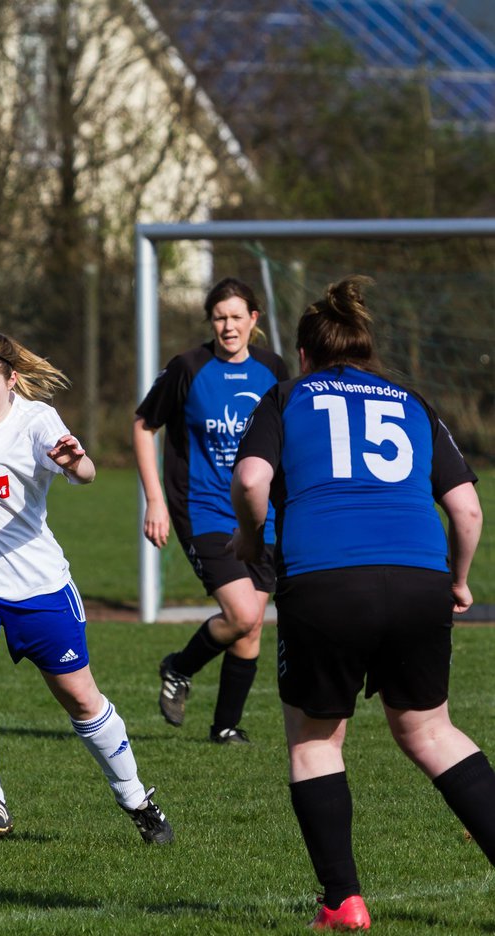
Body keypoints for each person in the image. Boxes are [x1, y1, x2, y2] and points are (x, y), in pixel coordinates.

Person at [230, 275, 495, 930]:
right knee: (431, 731)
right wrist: (458, 581)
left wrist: (247, 537)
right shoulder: (411, 400)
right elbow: (465, 508)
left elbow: (250, 478)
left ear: (304, 356)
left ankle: (343, 901)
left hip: (326, 581)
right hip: (419, 579)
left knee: (316, 742)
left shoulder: (287, 396)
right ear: (367, 352)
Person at [0, 330, 174, 847]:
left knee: (82, 701)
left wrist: (77, 462)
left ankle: (136, 798)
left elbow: (87, 473)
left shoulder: (36, 421)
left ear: (12, 381)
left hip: (37, 587)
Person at [134, 277, 289, 743]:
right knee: (242, 614)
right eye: (219, 317)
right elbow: (144, 426)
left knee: (251, 628)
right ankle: (178, 668)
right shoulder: (188, 368)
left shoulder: (273, 368)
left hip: (262, 513)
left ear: (253, 320)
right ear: (211, 321)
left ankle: (225, 727)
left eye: (236, 317)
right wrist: (155, 501)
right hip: (202, 510)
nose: (228, 326)